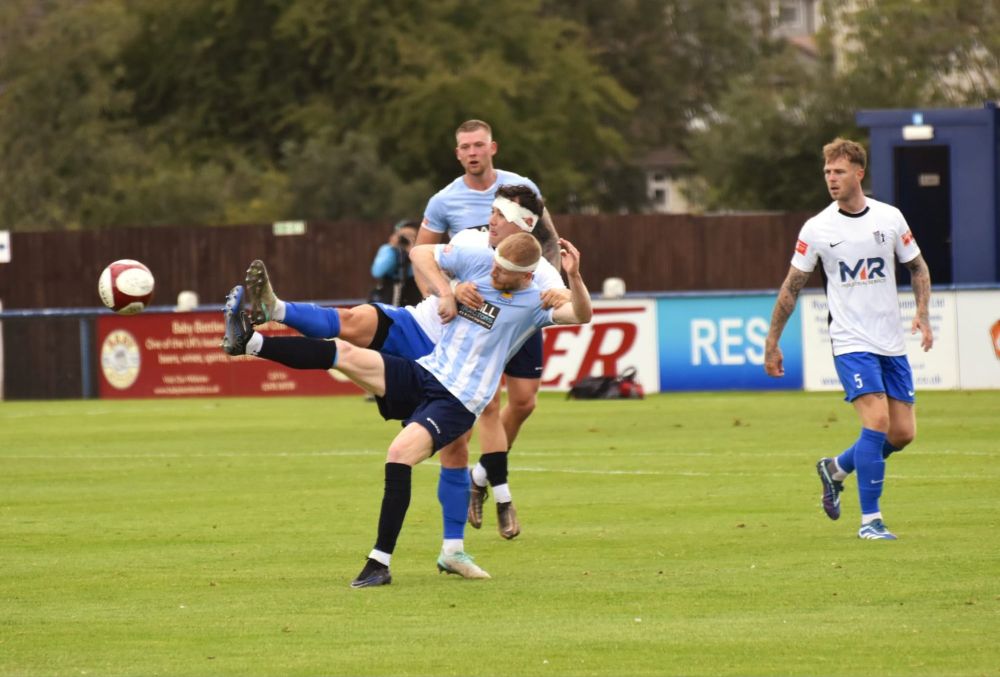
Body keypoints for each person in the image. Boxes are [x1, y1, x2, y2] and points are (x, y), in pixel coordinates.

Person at [222, 233, 592, 587]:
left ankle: (379, 562)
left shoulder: (536, 302)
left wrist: (573, 277)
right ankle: (250, 343)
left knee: (398, 454)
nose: (493, 273)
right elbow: (422, 254)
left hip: (457, 401)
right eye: (494, 265)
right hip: (426, 372)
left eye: (503, 271)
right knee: (342, 352)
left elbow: (581, 314)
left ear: (526, 275)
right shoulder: (480, 269)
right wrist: (449, 290)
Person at [763, 138, 933, 541]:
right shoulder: (818, 228)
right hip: (850, 341)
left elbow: (919, 268)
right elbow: (792, 287)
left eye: (838, 172)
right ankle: (870, 521)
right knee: (876, 422)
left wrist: (922, 314)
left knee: (902, 433)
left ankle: (836, 468)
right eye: (827, 173)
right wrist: (772, 341)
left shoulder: (890, 218)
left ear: (859, 173)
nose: (831, 179)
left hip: (890, 341)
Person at [417, 119, 561, 535]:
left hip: (522, 304)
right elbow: (422, 252)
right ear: (458, 153)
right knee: (489, 405)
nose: (473, 152)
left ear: (493, 147)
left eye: (479, 144)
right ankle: (501, 494)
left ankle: (482, 476)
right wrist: (445, 294)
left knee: (525, 402)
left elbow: (547, 239)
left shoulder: (519, 187)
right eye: (465, 147)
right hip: (477, 311)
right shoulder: (444, 201)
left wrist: (552, 285)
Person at [369, 220, 422, 307]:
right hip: (389, 295)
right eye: (402, 236)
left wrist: (413, 251)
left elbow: (422, 273)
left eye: (410, 236)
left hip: (414, 294)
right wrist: (391, 250)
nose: (405, 239)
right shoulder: (388, 250)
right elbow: (377, 272)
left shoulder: (421, 251)